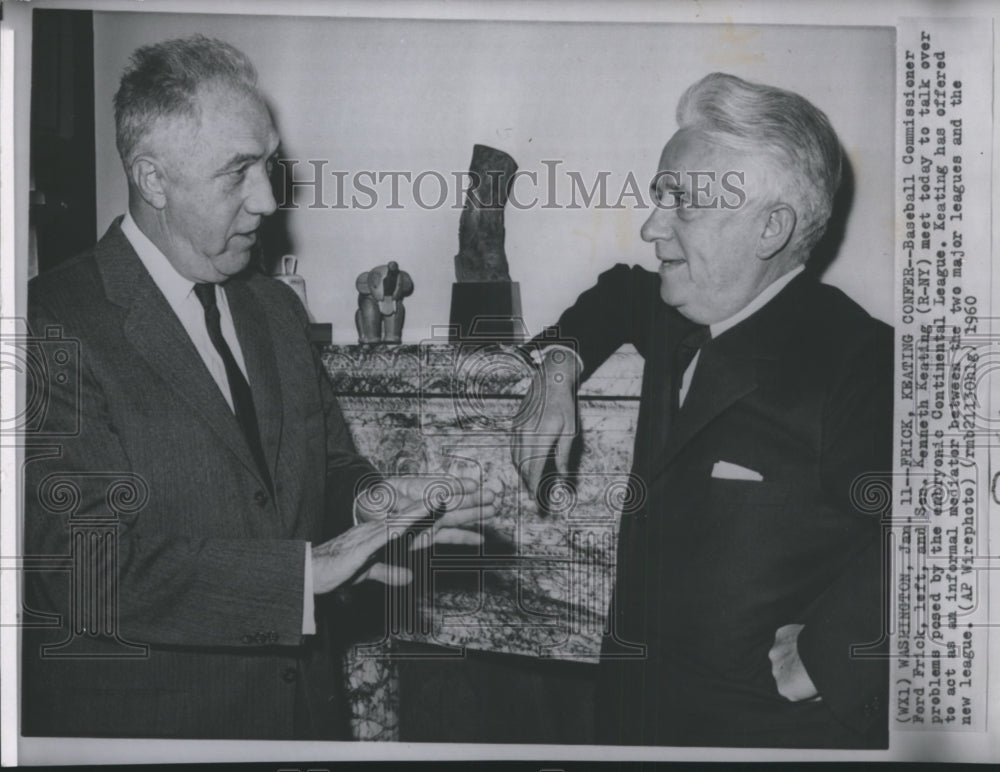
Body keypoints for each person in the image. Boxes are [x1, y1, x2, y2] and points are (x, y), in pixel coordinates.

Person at [21, 35, 493, 740]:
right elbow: (86, 563)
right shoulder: (48, 321)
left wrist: (373, 500)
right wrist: (304, 573)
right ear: (153, 179)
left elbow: (328, 461)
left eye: (267, 165)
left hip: (303, 718)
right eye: (238, 172)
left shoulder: (273, 308)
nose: (269, 199)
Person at [512, 73, 891, 748]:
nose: (652, 225)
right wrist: (559, 365)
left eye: (683, 205)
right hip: (631, 726)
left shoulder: (859, 362)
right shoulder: (677, 305)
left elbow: (966, 526)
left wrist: (834, 653)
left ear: (770, 228)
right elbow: (615, 292)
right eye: (660, 196)